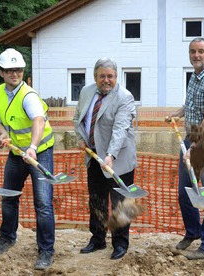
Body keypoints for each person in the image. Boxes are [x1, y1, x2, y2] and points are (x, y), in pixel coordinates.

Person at [0, 48, 56, 270]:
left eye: (17, 70)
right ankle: (7, 237)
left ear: (22, 71)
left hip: (40, 152)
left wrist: (34, 147)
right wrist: (3, 134)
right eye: (9, 70)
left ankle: (46, 250)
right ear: (1, 72)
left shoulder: (28, 95)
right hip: (17, 152)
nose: (14, 74)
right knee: (9, 196)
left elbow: (37, 120)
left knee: (43, 203)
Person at [165, 37, 204, 260]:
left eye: (201, 51)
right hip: (192, 138)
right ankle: (193, 232)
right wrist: (177, 113)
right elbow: (191, 104)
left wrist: (193, 147)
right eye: (193, 51)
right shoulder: (195, 77)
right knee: (185, 191)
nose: (196, 55)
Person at [72, 57, 137, 260]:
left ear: (116, 77)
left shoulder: (124, 97)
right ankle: (97, 239)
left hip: (118, 159)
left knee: (120, 203)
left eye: (110, 76)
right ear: (95, 77)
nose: (106, 80)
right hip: (93, 157)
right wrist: (82, 138)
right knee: (97, 200)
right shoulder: (86, 92)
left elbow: (119, 130)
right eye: (102, 76)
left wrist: (110, 156)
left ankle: (120, 243)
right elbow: (78, 118)